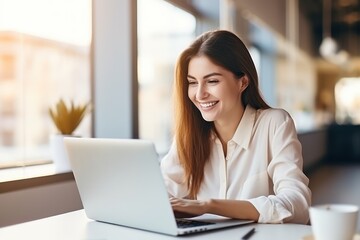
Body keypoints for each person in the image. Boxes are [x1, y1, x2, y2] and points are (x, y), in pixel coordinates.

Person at [160, 30, 312, 224]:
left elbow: (298, 205)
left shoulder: (274, 123)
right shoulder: (189, 135)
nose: (199, 94)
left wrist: (209, 205)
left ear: (243, 82)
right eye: (192, 83)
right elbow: (161, 194)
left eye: (212, 81)